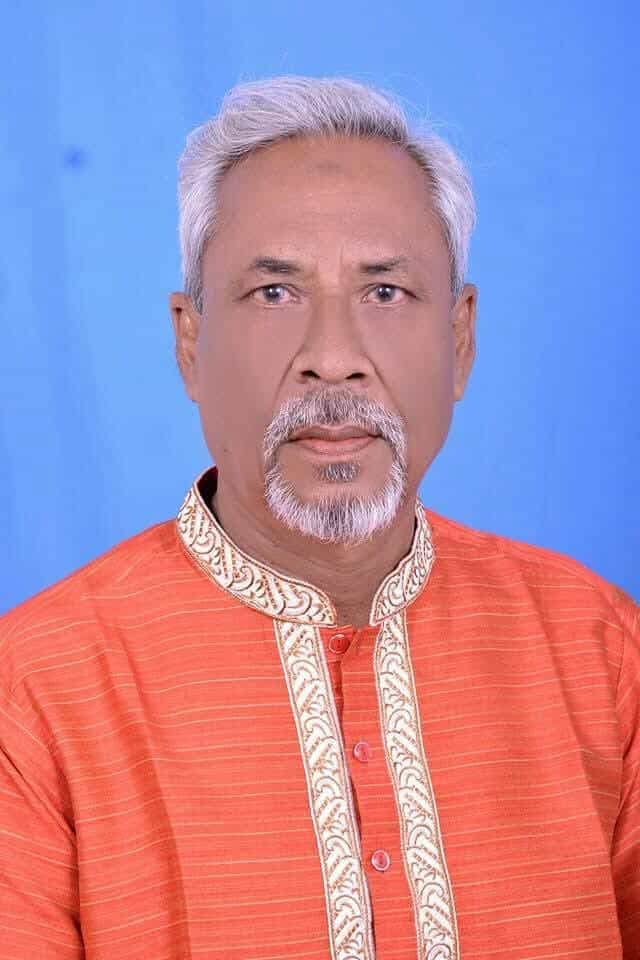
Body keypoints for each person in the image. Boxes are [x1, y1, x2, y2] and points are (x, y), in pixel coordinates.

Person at [1, 76, 637, 960]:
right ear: (190, 343)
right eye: (275, 293)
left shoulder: (601, 652)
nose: (333, 359)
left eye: (385, 292)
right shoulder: (33, 694)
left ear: (460, 340)